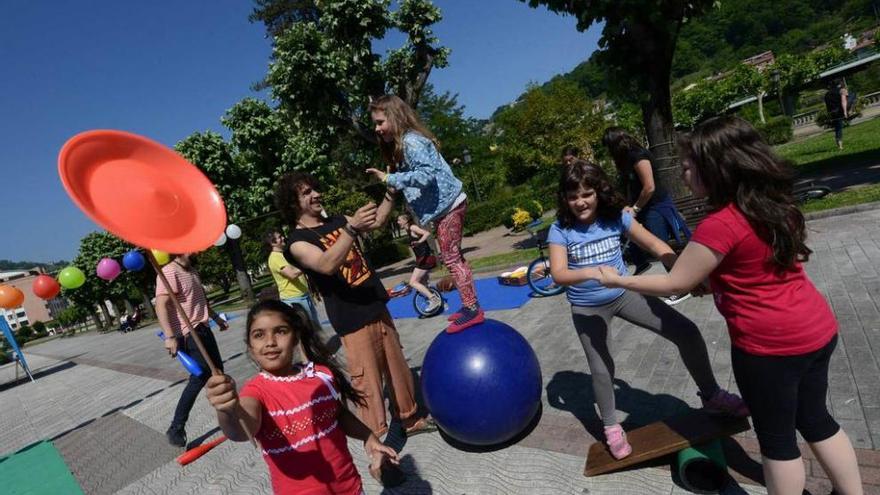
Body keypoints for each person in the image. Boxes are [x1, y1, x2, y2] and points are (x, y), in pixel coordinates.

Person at [596, 116, 863, 494]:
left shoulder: (720, 224)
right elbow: (748, 268)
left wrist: (617, 278)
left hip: (771, 349)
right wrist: (716, 284)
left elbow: (676, 282)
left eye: (688, 167)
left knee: (778, 442)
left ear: (715, 169)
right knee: (817, 420)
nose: (683, 174)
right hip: (817, 330)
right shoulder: (772, 205)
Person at [547, 159, 748, 460]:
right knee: (602, 368)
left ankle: (712, 395)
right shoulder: (560, 229)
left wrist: (678, 267)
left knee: (687, 332)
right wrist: (591, 272)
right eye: (573, 196)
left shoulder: (616, 217)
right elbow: (559, 274)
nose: (580, 202)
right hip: (587, 308)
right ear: (565, 198)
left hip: (624, 293)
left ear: (598, 191)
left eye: (586, 193)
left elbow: (655, 245)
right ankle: (611, 426)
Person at [273, 172, 435, 445]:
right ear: (292, 204)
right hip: (351, 318)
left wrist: (390, 194)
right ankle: (376, 436)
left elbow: (379, 220)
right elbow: (326, 264)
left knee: (398, 369)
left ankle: (410, 419)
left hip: (375, 304)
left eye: (315, 188)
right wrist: (351, 229)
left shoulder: (336, 219)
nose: (315, 194)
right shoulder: (296, 242)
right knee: (367, 381)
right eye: (306, 192)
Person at [205, 300, 401, 494]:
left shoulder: (321, 375)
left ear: (296, 337)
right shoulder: (256, 391)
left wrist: (369, 438)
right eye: (259, 335)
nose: (270, 342)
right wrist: (228, 410)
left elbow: (338, 414)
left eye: (281, 331)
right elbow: (241, 430)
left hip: (350, 487)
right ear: (250, 346)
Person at [366, 94, 483, 333]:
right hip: (445, 207)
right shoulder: (407, 144)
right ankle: (469, 304)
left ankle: (472, 308)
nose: (377, 129)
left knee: (452, 258)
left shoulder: (411, 142)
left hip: (450, 204)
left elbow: (426, 175)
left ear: (395, 117)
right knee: (452, 256)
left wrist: (390, 178)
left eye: (380, 122)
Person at [601, 127, 692, 305]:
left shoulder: (638, 155)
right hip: (645, 208)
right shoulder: (628, 159)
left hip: (656, 206)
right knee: (636, 237)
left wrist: (635, 208)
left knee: (662, 246)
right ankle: (643, 264)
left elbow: (649, 186)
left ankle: (682, 286)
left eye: (609, 147)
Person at [155, 253, 229, 447]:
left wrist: (215, 318)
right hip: (187, 333)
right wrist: (170, 336)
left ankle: (229, 416)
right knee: (200, 376)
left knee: (218, 372)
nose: (195, 250)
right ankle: (176, 427)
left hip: (203, 328)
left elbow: (201, 300)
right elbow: (161, 305)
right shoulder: (169, 271)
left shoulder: (192, 271)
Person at [264, 230, 321, 327]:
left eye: (281, 236)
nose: (283, 238)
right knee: (306, 328)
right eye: (279, 237)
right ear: (272, 243)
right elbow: (292, 274)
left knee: (314, 326)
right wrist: (307, 264)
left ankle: (317, 342)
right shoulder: (275, 258)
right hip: (294, 299)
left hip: (303, 295)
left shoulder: (285, 253)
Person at [397, 214, 442, 313]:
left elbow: (427, 233)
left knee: (413, 282)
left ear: (405, 220)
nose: (398, 222)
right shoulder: (409, 230)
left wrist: (419, 242)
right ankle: (433, 300)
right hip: (423, 259)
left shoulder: (413, 227)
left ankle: (433, 299)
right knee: (423, 284)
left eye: (399, 220)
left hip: (426, 259)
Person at [824, 79, 850, 150]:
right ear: (839, 84)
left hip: (832, 112)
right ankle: (840, 146)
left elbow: (827, 105)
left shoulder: (827, 94)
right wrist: (845, 112)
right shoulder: (842, 90)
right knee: (853, 95)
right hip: (840, 111)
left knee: (838, 128)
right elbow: (843, 101)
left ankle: (839, 145)